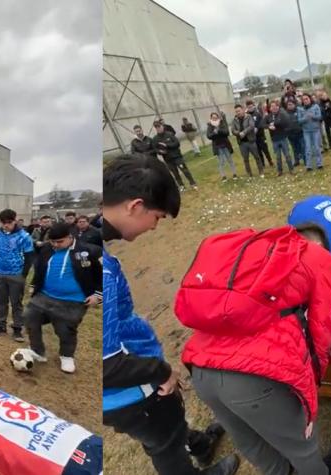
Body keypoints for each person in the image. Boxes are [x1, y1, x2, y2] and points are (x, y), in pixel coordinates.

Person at [102, 156, 237, 475]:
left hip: (136, 373)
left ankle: (198, 444)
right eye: (157, 217)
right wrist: (161, 371)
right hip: (129, 391)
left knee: (170, 419)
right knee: (163, 442)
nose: (154, 226)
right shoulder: (103, 270)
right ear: (135, 206)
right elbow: (108, 365)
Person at [181, 223, 331, 475]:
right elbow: (322, 329)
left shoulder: (257, 254)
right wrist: (313, 380)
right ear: (320, 247)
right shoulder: (317, 258)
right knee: (302, 446)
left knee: (248, 440)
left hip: (201, 367)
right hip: (254, 379)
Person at [25, 222, 102, 374]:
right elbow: (40, 267)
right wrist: (34, 284)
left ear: (70, 237)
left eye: (59, 241)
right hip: (44, 296)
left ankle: (67, 356)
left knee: (65, 329)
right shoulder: (47, 249)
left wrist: (99, 295)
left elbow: (106, 274)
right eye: (52, 241)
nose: (56, 245)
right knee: (29, 317)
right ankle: (37, 351)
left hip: (73, 300)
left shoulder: (90, 251)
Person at [0, 209, 34, 342]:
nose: (6, 225)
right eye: (3, 222)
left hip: (16, 275)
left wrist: (23, 273)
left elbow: (29, 255)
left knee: (16, 303)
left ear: (15, 220)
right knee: (1, 302)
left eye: (9, 222)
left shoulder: (24, 236)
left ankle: (17, 329)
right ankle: (1, 326)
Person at [154, 120, 198, 191]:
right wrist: (160, 151)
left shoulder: (170, 134)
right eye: (157, 128)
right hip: (168, 159)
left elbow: (177, 143)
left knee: (185, 170)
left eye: (159, 126)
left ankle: (192, 183)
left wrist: (167, 145)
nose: (158, 128)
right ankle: (181, 185)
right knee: (175, 173)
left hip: (177, 157)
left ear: (162, 126)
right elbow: (155, 148)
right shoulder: (155, 139)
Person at [231, 105, 264, 177]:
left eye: (239, 111)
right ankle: (249, 173)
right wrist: (238, 133)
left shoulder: (248, 116)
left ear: (242, 110)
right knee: (245, 159)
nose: (238, 113)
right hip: (242, 143)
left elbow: (251, 126)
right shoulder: (234, 120)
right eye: (236, 111)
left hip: (251, 141)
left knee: (257, 157)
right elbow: (233, 130)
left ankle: (261, 171)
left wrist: (244, 132)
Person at [264, 100, 295, 176]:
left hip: (283, 138)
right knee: (278, 157)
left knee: (287, 155)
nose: (274, 108)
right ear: (270, 108)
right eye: (272, 106)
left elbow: (286, 123)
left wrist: (274, 124)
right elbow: (261, 124)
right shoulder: (268, 116)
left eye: (275, 106)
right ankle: (279, 171)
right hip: (274, 140)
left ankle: (291, 169)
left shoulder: (282, 114)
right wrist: (269, 126)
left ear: (278, 107)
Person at [206, 112, 237, 182]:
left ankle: (234, 174)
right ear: (211, 118)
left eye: (216, 117)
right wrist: (214, 132)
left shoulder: (222, 123)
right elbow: (208, 136)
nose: (214, 119)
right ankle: (223, 176)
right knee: (221, 161)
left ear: (218, 117)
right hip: (217, 146)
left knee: (230, 159)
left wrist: (219, 131)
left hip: (225, 145)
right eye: (213, 118)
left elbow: (227, 132)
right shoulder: (210, 126)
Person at [298, 94, 324, 171]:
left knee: (317, 147)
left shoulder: (315, 107)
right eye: (304, 99)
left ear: (310, 99)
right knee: (308, 148)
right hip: (306, 132)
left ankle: (319, 164)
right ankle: (308, 166)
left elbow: (319, 117)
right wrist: (305, 118)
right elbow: (299, 121)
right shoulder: (300, 109)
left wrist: (313, 116)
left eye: (307, 99)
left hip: (315, 130)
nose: (305, 100)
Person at [246, 100, 274, 167]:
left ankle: (270, 161)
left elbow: (261, 122)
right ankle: (262, 163)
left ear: (253, 106)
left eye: (251, 106)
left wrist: (257, 128)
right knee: (258, 151)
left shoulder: (257, 113)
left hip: (261, 135)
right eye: (249, 107)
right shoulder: (247, 115)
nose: (250, 108)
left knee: (265, 149)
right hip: (253, 137)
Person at [284, 100, 305, 166]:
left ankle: (306, 160)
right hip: (290, 134)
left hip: (299, 132)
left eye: (291, 104)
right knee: (294, 148)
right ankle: (297, 160)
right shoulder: (285, 113)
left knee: (303, 147)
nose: (290, 106)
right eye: (288, 105)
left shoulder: (299, 111)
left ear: (294, 104)